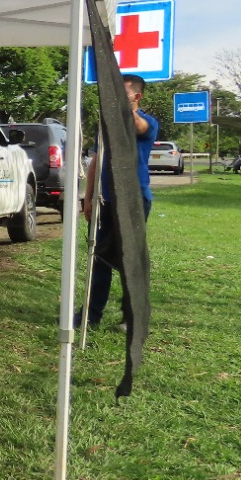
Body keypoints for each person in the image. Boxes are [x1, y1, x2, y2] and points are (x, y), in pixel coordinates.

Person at [79, 73, 158, 329]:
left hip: (134, 200)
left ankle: (132, 317)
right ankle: (90, 317)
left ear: (137, 97)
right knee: (99, 257)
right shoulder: (106, 124)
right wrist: (88, 197)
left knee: (129, 259)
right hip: (107, 200)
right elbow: (95, 161)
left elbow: (139, 127)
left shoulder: (147, 122)